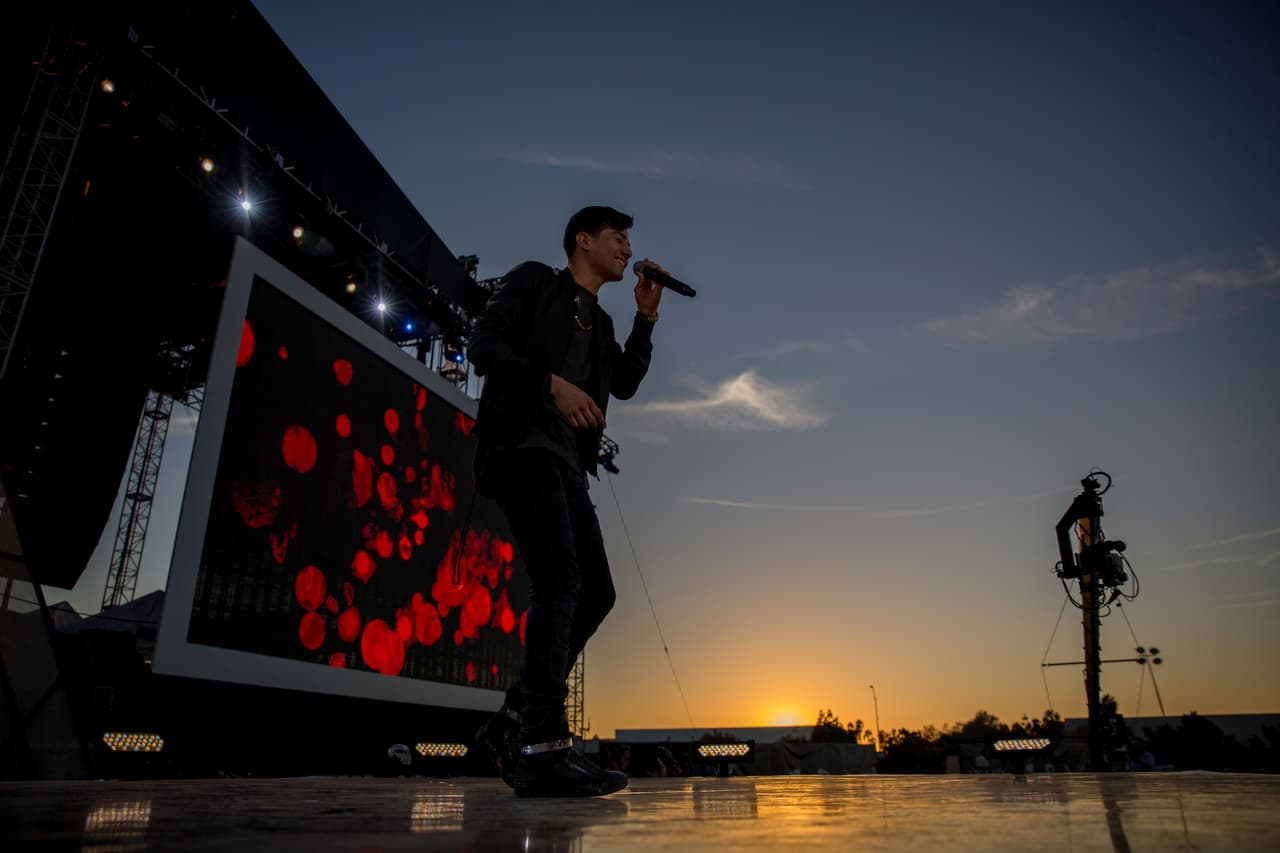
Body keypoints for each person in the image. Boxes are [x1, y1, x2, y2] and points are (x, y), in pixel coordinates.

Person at [470, 205, 665, 797]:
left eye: (631, 242)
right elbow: (484, 344)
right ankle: (543, 745)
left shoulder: (603, 327)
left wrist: (646, 316)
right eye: (618, 238)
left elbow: (624, 382)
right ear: (583, 240)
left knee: (597, 592)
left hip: (566, 464)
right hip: (521, 445)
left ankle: (512, 720)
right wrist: (549, 384)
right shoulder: (536, 281)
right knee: (558, 578)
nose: (628, 250)